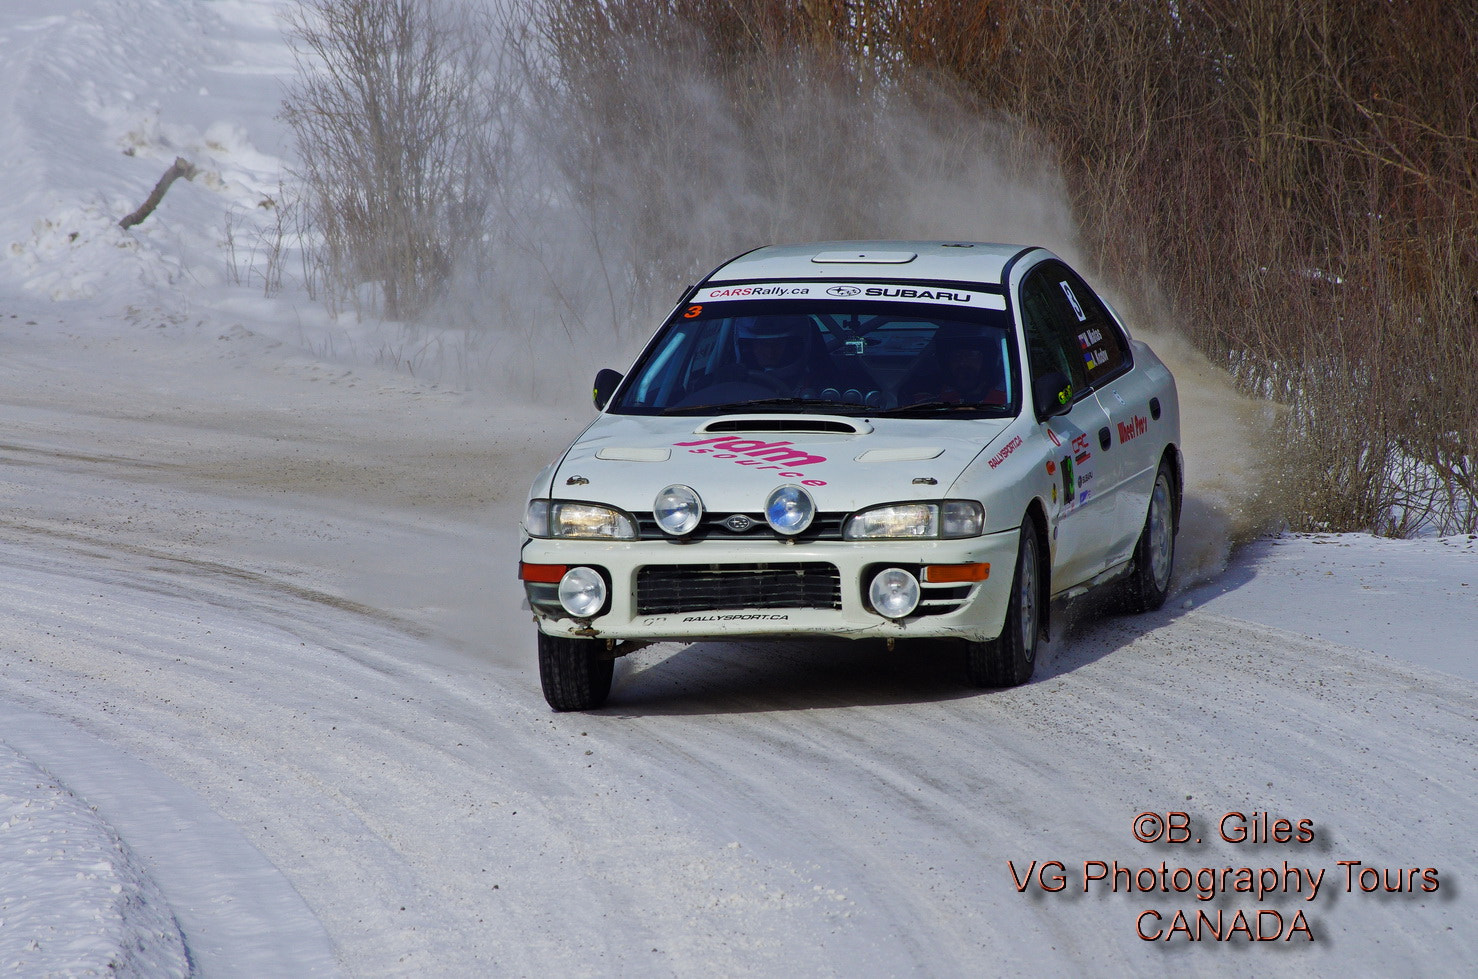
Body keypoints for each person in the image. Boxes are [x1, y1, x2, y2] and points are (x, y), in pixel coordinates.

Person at [909, 324, 1007, 406]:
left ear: (987, 360)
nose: (962, 362)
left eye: (970, 355)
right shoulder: (929, 396)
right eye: (956, 356)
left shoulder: (1010, 399)